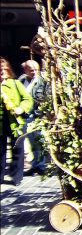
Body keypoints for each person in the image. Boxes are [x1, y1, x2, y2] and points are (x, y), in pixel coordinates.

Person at [1, 57, 34, 185]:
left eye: (5, 69)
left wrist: (21, 108)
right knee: (1, 151)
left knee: (17, 149)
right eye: (0, 69)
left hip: (15, 122)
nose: (2, 71)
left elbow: (28, 99)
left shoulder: (15, 84)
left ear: (9, 70)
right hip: (1, 123)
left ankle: (16, 177)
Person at [18, 60, 49, 175]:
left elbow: (47, 98)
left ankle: (41, 165)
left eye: (36, 70)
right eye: (31, 70)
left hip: (37, 115)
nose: (34, 72)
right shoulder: (21, 81)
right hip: (25, 115)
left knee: (39, 140)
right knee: (30, 141)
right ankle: (34, 165)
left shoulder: (43, 82)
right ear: (25, 70)